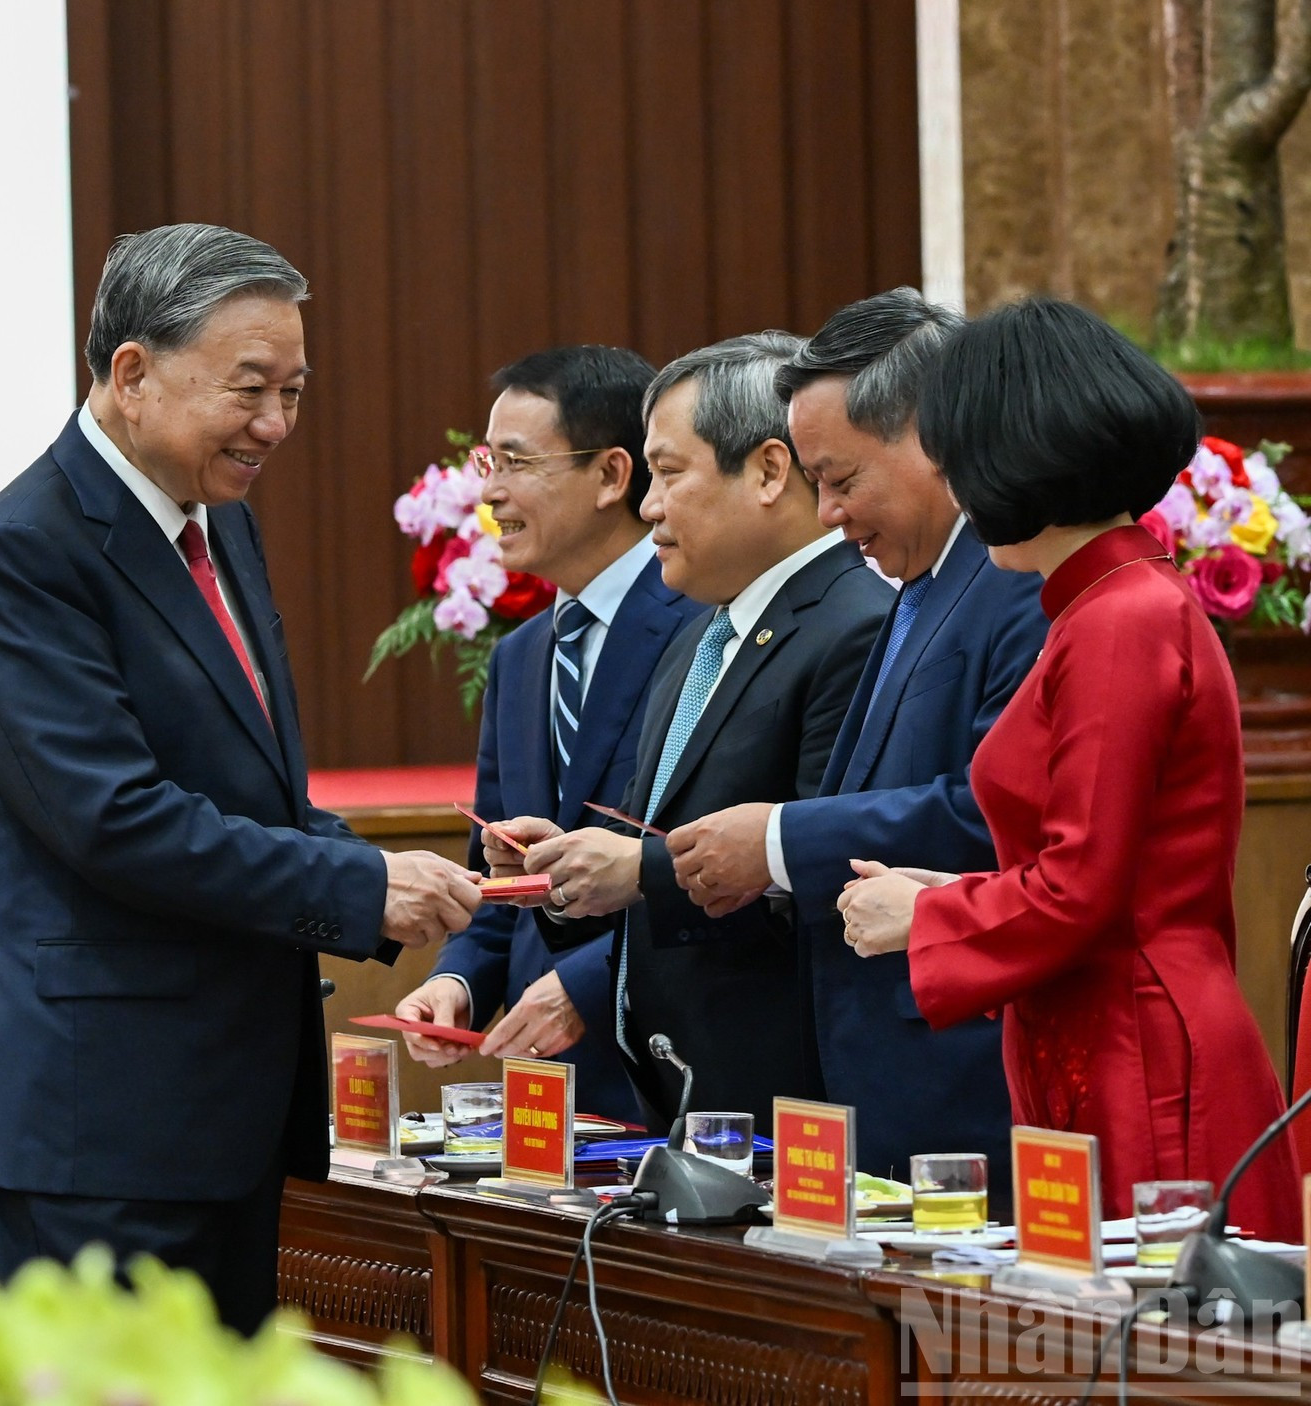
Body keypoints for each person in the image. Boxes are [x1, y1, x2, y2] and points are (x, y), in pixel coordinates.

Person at [0, 224, 481, 1334]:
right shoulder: (28, 550)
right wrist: (358, 888)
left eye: (294, 391)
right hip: (97, 1118)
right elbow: (113, 817)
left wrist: (371, 864)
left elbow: (246, 791)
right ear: (131, 372)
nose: (274, 424)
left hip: (215, 1109)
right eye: (249, 389)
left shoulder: (219, 527)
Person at [838, 298, 1301, 1240]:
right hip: (1099, 1034)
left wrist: (930, 916)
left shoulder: (1120, 619)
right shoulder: (1101, 606)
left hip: (1143, 1055)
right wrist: (956, 889)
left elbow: (1085, 889)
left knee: (1161, 1367)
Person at [662, 290, 1045, 1187]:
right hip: (872, 1078)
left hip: (964, 1079)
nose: (827, 513)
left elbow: (994, 814)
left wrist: (782, 840)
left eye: (841, 479)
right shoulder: (917, 579)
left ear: (931, 439)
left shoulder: (1014, 585)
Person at [488, 333, 891, 1131]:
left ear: (771, 472)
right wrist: (564, 872)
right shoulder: (699, 636)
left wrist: (642, 870)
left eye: (670, 473)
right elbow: (650, 841)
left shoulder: (854, 626)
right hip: (679, 1096)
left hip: (792, 1102)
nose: (649, 506)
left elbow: (828, 878)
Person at [393, 346, 703, 1119]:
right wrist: (458, 982)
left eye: (515, 464)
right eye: (488, 465)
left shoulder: (704, 630)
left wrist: (592, 985)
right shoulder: (521, 656)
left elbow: (720, 872)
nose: (490, 492)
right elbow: (501, 881)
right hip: (545, 1090)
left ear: (611, 475)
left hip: (673, 1075)